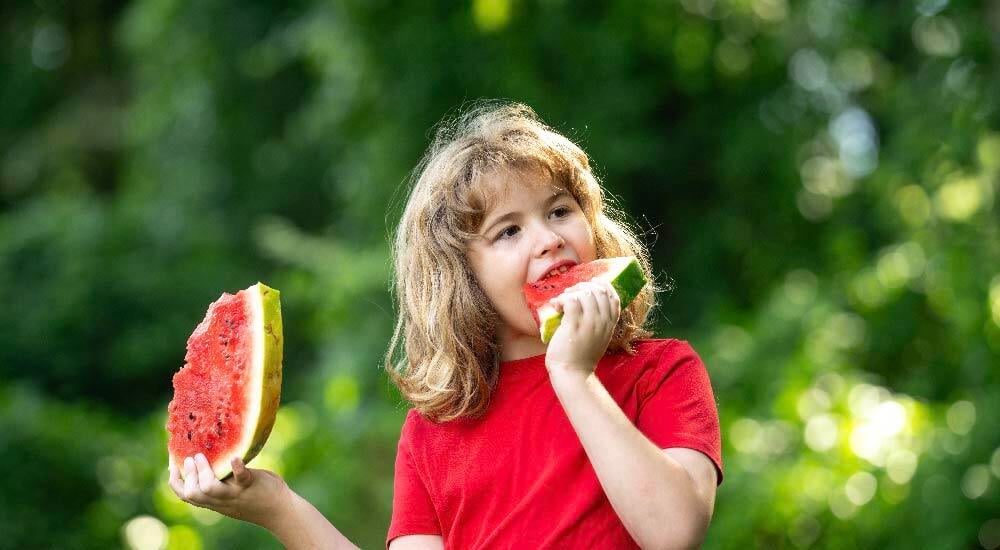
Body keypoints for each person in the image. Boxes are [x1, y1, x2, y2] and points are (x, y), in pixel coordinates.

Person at [169, 100, 723, 549]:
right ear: (463, 279)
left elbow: (673, 532)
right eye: (508, 231)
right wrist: (280, 508)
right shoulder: (435, 433)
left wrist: (575, 377)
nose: (548, 238)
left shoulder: (662, 372)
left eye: (559, 211)